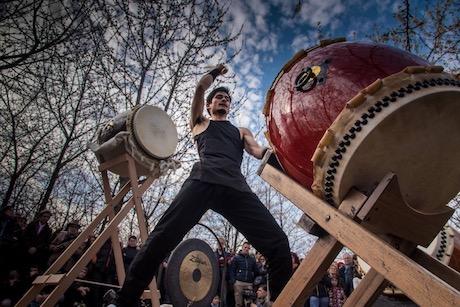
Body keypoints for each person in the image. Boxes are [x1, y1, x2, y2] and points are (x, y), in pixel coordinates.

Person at [114, 64, 292, 306]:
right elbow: (199, 88)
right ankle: (124, 301)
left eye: (227, 99)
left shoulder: (240, 131)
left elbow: (257, 150)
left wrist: (277, 154)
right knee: (159, 240)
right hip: (202, 181)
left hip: (235, 188)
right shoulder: (200, 123)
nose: (224, 100)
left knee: (279, 245)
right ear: (209, 105)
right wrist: (216, 73)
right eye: (219, 97)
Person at [229, 242, 259, 307]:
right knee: (238, 303)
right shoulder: (236, 258)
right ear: (242, 248)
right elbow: (232, 270)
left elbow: (256, 271)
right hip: (239, 283)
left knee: (249, 303)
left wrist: (253, 280)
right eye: (245, 247)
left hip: (249, 283)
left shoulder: (252, 259)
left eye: (248, 248)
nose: (246, 249)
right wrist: (234, 281)